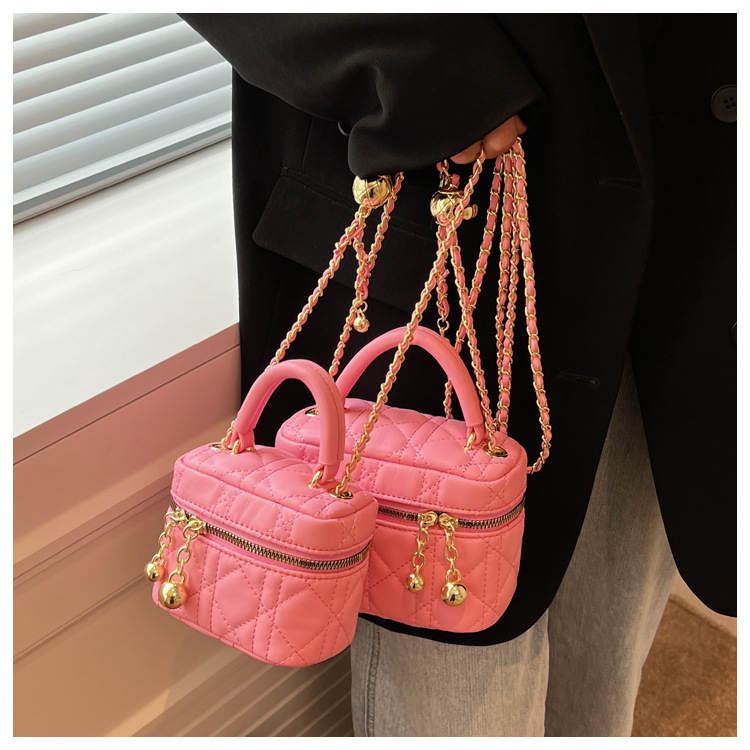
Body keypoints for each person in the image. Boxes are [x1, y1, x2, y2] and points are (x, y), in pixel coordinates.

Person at [179, 13, 736, 736]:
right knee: (458, 692)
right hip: (449, 217)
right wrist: (410, 64)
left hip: (685, 232)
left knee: (603, 667)